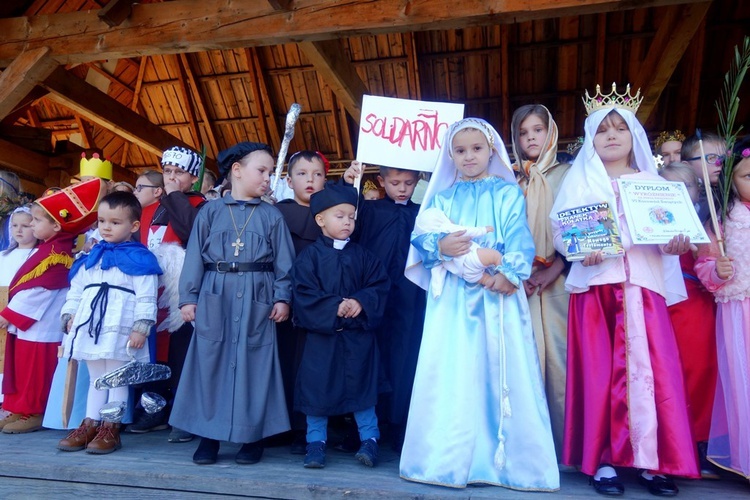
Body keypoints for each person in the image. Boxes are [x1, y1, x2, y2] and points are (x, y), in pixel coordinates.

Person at [550, 84, 699, 496]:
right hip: (599, 289)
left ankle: (655, 461)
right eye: (602, 130)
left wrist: (675, 242)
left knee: (654, 374)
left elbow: (671, 228)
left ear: (633, 135)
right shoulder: (579, 182)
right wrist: (581, 251)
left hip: (644, 287)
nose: (612, 135)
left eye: (620, 128)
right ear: (590, 140)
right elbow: (562, 230)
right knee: (601, 373)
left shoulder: (653, 182)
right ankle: (603, 460)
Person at [400, 118, 559, 491]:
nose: (468, 156)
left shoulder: (506, 193)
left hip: (496, 296)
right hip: (453, 302)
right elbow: (420, 238)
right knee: (453, 369)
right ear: (449, 156)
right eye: (460, 150)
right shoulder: (440, 198)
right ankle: (447, 460)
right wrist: (438, 246)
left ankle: (504, 461)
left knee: (499, 366)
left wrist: (511, 273)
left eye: (476, 149)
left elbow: (520, 236)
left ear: (492, 150)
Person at [170, 142, 294, 466]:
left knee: (256, 367)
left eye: (270, 172)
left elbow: (285, 263)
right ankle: (208, 437)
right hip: (216, 295)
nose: (268, 178)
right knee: (208, 364)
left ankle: (251, 438)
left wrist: (283, 297)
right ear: (237, 171)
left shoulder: (272, 216)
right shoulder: (210, 212)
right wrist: (189, 297)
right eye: (261, 170)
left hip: (258, 298)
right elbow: (194, 257)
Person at [291, 183, 390, 469]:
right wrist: (334, 305)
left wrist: (360, 301)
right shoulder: (309, 258)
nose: (348, 221)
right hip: (323, 340)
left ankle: (370, 441)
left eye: (351, 216)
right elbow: (302, 293)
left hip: (359, 338)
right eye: (340, 216)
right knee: (317, 391)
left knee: (364, 391)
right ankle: (315, 444)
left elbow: (380, 286)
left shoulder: (365, 256)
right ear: (320, 219)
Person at [57, 192, 161, 454]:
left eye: (115, 222)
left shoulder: (141, 258)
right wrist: (69, 315)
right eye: (102, 220)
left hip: (121, 328)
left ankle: (110, 428)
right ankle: (90, 424)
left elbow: (147, 297)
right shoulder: (90, 257)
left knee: (117, 379)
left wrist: (141, 328)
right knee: (95, 379)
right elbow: (76, 290)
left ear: (133, 226)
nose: (106, 227)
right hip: (92, 326)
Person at [0, 179, 107, 434]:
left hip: (40, 325)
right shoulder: (48, 248)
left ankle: (33, 411)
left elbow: (38, 291)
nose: (32, 225)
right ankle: (18, 408)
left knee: (33, 372)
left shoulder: (56, 255)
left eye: (36, 221)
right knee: (22, 369)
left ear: (56, 225)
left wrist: (9, 314)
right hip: (29, 325)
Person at [341, 162, 427, 452]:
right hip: (373, 298)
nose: (402, 188)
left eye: (409, 183)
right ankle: (364, 427)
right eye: (395, 183)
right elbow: (342, 216)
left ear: (418, 180)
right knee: (368, 359)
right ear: (380, 180)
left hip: (410, 299)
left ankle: (402, 425)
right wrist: (348, 181)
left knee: (406, 360)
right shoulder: (369, 212)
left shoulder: (423, 215)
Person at [129, 147, 206, 443]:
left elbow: (190, 231)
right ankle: (154, 408)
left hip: (183, 293)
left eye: (180, 173)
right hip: (151, 291)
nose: (172, 177)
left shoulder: (201, 205)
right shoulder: (147, 209)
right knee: (151, 352)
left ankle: (185, 413)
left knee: (182, 353)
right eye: (168, 172)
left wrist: (174, 195)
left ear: (193, 177)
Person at [510, 104, 571, 460]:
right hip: (520, 285)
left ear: (551, 132)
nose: (531, 137)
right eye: (523, 132)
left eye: (537, 129)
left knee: (561, 363)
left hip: (560, 283)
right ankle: (530, 449)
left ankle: (566, 446)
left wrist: (553, 269)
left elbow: (582, 228)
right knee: (524, 360)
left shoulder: (571, 175)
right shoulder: (509, 181)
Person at [660, 162, 721, 480]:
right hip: (660, 300)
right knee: (666, 375)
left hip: (695, 301)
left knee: (700, 370)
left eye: (686, 187)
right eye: (670, 187)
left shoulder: (707, 222)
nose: (679, 194)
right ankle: (668, 444)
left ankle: (700, 442)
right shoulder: (652, 219)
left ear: (699, 191)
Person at [695, 138, 750, 480]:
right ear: (731, 179)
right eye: (747, 176)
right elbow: (704, 265)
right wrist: (718, 271)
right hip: (740, 310)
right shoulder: (723, 221)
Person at [274, 150, 326, 453]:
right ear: (289, 179)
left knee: (310, 363)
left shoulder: (332, 213)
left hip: (316, 301)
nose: (310, 180)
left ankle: (306, 427)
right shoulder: (277, 211)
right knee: (282, 361)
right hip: (283, 300)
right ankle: (280, 424)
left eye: (318, 174)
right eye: (303, 174)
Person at [413, 207, 501, 296]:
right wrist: (483, 230)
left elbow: (437, 271)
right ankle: (504, 272)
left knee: (484, 279)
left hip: (464, 273)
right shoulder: (446, 227)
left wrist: (436, 290)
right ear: (440, 219)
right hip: (472, 257)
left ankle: (491, 282)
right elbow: (467, 231)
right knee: (494, 256)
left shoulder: (436, 252)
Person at [0, 207, 39, 407]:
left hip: (20, 314)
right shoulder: (3, 256)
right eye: (15, 225)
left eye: (25, 225)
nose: (19, 230)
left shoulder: (39, 255)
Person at [682, 131, 727, 223]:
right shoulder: (684, 199)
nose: (720, 162)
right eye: (711, 158)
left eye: (724, 158)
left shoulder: (735, 194)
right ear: (687, 166)